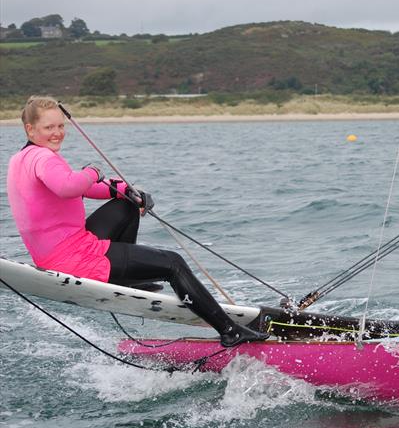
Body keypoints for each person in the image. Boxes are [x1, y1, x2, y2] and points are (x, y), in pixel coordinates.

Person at [6, 96, 268, 347]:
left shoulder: (23, 158)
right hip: (73, 257)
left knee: (126, 204)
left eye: (61, 126)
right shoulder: (43, 158)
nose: (58, 132)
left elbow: (84, 188)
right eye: (49, 127)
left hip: (62, 249)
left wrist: (124, 189)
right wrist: (93, 170)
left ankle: (123, 280)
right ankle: (229, 331)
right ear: (30, 129)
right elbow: (67, 186)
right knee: (172, 263)